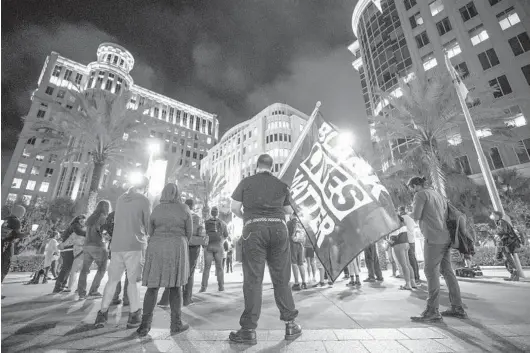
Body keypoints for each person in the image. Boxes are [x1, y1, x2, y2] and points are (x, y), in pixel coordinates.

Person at [229, 154, 301, 345]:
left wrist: (245, 215)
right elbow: (289, 211)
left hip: (254, 229)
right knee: (281, 278)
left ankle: (248, 330)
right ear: (272, 167)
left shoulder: (246, 182)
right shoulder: (281, 184)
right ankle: (291, 325)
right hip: (279, 229)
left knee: (253, 279)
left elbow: (234, 207)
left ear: (257, 166)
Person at [408, 176, 467, 322]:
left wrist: (404, 215)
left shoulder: (420, 194)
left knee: (430, 271)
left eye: (410, 187)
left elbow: (416, 215)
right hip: (445, 237)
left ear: (415, 186)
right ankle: (457, 307)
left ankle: (432, 310)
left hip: (433, 238)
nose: (410, 190)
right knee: (447, 272)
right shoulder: (436, 194)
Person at [136, 183, 191, 336]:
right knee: (175, 286)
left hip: (157, 246)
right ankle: (176, 324)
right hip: (176, 246)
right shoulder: (184, 208)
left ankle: (144, 326)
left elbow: (150, 230)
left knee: (152, 287)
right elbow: (189, 232)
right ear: (177, 193)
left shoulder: (157, 208)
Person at [95, 177, 150, 329]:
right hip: (135, 244)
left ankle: (102, 313)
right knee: (134, 281)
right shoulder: (144, 200)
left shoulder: (121, 199)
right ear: (145, 187)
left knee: (112, 280)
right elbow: (148, 224)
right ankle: (134, 315)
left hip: (117, 245)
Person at [158, 198, 204, 307]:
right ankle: (187, 299)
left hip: (178, 246)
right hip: (193, 247)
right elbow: (202, 233)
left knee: (174, 272)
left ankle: (165, 300)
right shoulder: (197, 218)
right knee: (190, 274)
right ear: (193, 206)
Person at [77, 201, 111, 300]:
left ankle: (81, 293)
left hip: (87, 246)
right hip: (98, 245)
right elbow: (102, 231)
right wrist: (108, 237)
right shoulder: (103, 217)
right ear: (106, 207)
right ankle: (93, 291)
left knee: (84, 270)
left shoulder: (91, 218)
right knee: (102, 268)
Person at [53, 215, 86, 293]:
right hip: (68, 249)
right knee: (66, 268)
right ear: (78, 220)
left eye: (84, 221)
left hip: (67, 249)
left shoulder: (73, 226)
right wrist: (90, 233)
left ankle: (62, 285)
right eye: (82, 220)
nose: (83, 222)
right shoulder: (75, 225)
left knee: (68, 268)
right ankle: (58, 287)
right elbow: (80, 232)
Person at [103, 211, 129, 306]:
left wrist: (109, 238)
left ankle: (114, 297)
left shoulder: (112, 214)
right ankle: (127, 299)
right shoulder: (135, 212)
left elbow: (104, 230)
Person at [200, 207, 228, 293]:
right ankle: (221, 287)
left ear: (211, 213)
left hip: (208, 246)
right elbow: (226, 235)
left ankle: (203, 288)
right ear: (218, 213)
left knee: (206, 268)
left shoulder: (206, 222)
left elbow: (203, 235)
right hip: (218, 246)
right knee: (219, 267)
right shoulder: (223, 223)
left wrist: (204, 245)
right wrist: (221, 242)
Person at [491, 210, 522, 281]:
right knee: (506, 258)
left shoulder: (501, 222)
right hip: (505, 243)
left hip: (506, 243)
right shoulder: (499, 222)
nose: (492, 216)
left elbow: (504, 231)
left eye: (493, 215)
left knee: (507, 258)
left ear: (497, 216)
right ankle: (513, 274)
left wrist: (496, 234)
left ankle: (515, 275)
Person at [388, 216, 415, 291]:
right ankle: (413, 283)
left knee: (404, 265)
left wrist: (388, 242)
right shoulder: (403, 224)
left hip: (399, 245)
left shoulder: (394, 225)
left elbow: (393, 239)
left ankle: (408, 284)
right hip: (406, 244)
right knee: (408, 264)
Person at [2, 205, 27, 284]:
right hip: (6, 247)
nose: (23, 215)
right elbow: (17, 234)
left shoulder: (6, 219)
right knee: (4, 267)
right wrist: (27, 233)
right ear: (19, 212)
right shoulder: (16, 221)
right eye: (23, 213)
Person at [399, 206, 421, 285]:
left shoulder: (402, 218)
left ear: (401, 211)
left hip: (406, 240)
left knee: (409, 261)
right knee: (413, 259)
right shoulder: (410, 217)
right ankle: (416, 277)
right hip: (412, 240)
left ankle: (414, 278)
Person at [288, 216, 307, 290]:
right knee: (301, 264)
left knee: (294, 263)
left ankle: (296, 283)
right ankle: (304, 283)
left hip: (292, 244)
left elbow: (287, 234)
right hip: (300, 244)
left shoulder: (290, 223)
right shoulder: (300, 222)